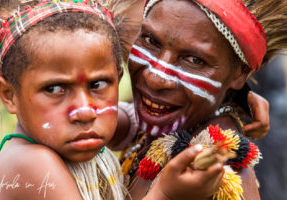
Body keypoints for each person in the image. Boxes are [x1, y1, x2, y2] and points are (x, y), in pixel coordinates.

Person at [110, 0, 287, 199]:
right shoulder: (165, 129)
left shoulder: (216, 176)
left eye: (195, 60)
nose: (155, 78)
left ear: (240, 75)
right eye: (151, 41)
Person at [0, 0, 130, 199]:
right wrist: (165, 193)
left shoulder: (71, 137)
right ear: (9, 95)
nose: (85, 112)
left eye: (97, 85)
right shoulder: (32, 163)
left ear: (118, 78)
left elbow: (132, 118)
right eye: (54, 89)